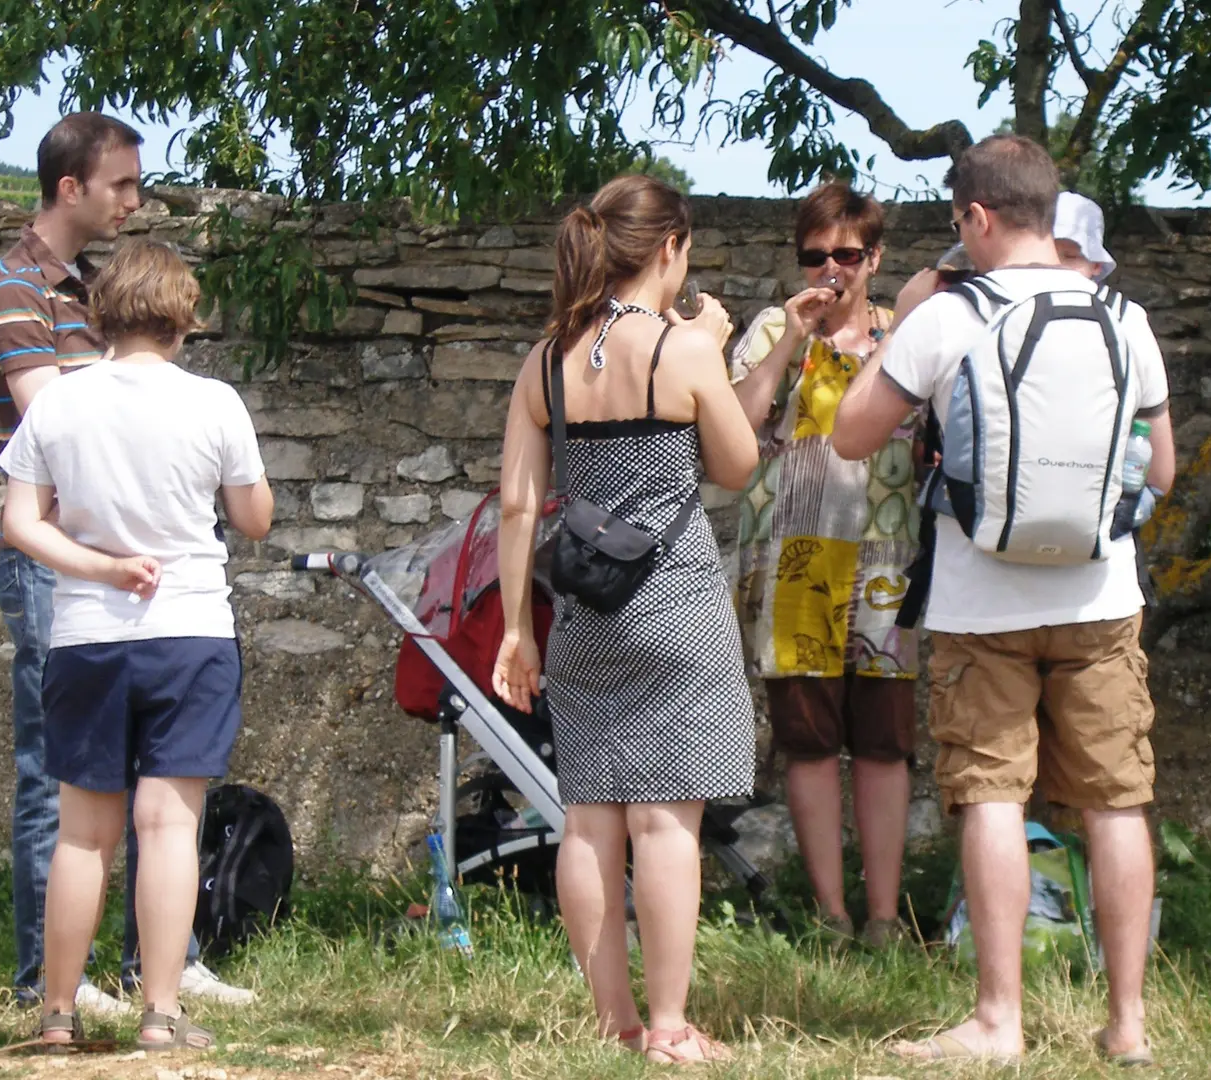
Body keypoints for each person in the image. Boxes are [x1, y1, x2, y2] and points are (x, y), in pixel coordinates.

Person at [832, 135, 1175, 1068]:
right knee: (1116, 802)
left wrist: (903, 321)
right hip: (1101, 596)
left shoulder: (950, 317)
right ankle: (1130, 1024)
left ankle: (997, 1020)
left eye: (957, 221)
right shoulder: (1125, 317)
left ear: (977, 217)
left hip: (982, 606)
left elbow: (851, 433)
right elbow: (1165, 471)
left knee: (989, 794)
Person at [0, 111, 250, 1012]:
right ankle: (50, 980)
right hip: (68, 559)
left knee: (153, 791)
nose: (137, 198)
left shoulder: (94, 290)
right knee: (66, 787)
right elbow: (65, 425)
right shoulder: (18, 289)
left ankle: (151, 968)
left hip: (117, 560)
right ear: (70, 188)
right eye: (123, 184)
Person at [491, 174, 759, 1065]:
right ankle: (672, 1026)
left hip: (581, 615)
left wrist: (516, 632)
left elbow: (519, 506)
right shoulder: (679, 349)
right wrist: (713, 353)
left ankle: (614, 1020)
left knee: (589, 821)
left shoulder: (544, 360)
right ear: (672, 248)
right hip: (675, 605)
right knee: (664, 826)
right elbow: (735, 464)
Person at [0, 238, 276, 1049]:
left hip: (86, 635)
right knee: (167, 826)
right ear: (184, 319)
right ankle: (160, 1013)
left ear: (98, 314)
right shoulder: (215, 402)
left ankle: (56, 1015)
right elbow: (254, 520)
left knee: (84, 831)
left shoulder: (58, 402)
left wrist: (103, 566)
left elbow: (22, 523)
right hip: (189, 631)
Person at [726, 182, 921, 948]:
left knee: (884, 741)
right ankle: (832, 918)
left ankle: (882, 920)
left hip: (886, 565)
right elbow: (736, 433)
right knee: (808, 740)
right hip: (791, 567)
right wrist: (786, 343)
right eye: (814, 257)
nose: (830, 270)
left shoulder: (905, 334)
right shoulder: (775, 325)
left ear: (873, 257)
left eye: (845, 254)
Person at [1053, 191, 1117, 282]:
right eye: (1046, 255)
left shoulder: (1106, 296)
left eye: (1070, 257)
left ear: (1096, 264)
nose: (1056, 265)